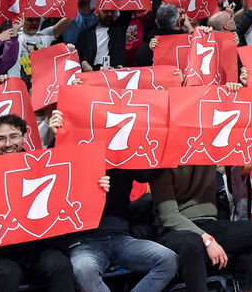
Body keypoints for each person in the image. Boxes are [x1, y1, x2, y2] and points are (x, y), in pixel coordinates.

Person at [46, 111, 177, 292]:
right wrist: (59, 137)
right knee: (84, 270)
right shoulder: (74, 152)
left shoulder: (124, 151)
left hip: (121, 237)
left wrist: (170, 139)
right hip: (83, 241)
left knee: (168, 259)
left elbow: (146, 173)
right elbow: (51, 168)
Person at [0, 114, 83, 292]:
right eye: (1, 138)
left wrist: (99, 183)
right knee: (7, 273)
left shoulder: (43, 166)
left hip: (40, 249)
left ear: (24, 137)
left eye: (14, 136)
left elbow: (75, 173)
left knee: (60, 265)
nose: (8, 143)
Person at [152, 162, 252, 292]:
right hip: (175, 230)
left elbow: (243, 154)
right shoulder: (162, 164)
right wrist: (207, 240)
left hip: (209, 224)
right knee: (192, 242)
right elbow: (169, 217)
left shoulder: (208, 150)